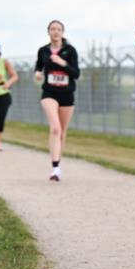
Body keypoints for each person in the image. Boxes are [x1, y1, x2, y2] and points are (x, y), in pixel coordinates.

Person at [34, 20, 80, 181]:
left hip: (67, 94)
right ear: (48, 31)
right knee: (55, 128)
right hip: (49, 93)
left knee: (62, 132)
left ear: (62, 32)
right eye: (53, 29)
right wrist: (37, 73)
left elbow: (76, 73)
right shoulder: (43, 50)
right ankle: (54, 168)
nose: (55, 31)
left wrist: (63, 63)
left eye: (59, 29)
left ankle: (57, 166)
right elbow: (38, 66)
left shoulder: (70, 50)